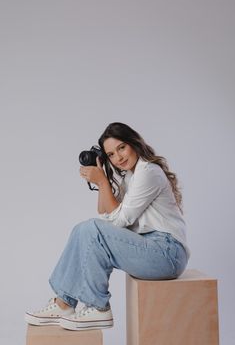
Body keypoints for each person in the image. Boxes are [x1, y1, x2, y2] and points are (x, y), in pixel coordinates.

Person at [25, 122, 190, 331]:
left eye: (121, 148)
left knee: (92, 229)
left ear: (133, 143)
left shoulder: (148, 172)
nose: (118, 158)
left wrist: (103, 182)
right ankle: (64, 303)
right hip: (151, 248)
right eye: (111, 154)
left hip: (168, 253)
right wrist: (101, 177)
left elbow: (120, 220)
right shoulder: (131, 176)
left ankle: (98, 308)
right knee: (83, 229)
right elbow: (105, 213)